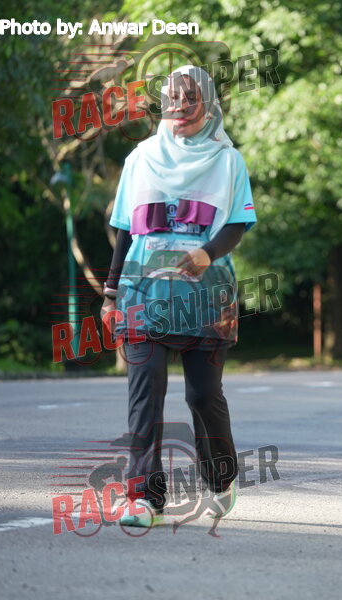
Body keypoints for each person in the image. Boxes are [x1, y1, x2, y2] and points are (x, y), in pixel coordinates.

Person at [101, 65, 257, 527]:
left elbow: (237, 224)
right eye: (172, 97)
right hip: (142, 292)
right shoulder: (140, 158)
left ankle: (221, 477)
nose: (181, 106)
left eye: (191, 98)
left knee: (203, 396)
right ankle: (144, 498)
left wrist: (208, 253)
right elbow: (125, 231)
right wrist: (110, 295)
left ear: (209, 104)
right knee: (144, 395)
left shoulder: (228, 161)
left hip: (206, 296)